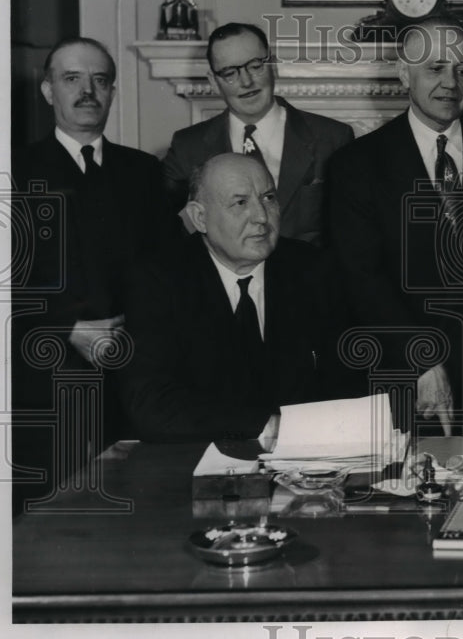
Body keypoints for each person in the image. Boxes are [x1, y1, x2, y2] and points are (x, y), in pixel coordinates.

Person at [325, 17, 463, 434]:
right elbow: (361, 279)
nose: (451, 83)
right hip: (406, 373)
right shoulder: (358, 164)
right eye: (435, 68)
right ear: (402, 73)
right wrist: (421, 359)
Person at [11, 37, 178, 511]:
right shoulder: (12, 171)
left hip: (132, 378)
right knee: (51, 519)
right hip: (43, 375)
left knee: (137, 509)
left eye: (100, 80)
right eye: (72, 80)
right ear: (48, 91)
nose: (88, 91)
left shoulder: (144, 172)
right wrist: (67, 329)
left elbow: (167, 270)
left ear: (112, 91)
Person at [120, 154, 351, 442]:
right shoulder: (159, 279)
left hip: (306, 463)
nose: (261, 217)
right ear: (200, 217)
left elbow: (345, 381)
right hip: (198, 462)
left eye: (268, 198)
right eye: (240, 203)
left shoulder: (314, 269)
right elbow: (150, 402)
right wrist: (267, 427)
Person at [162, 22, 353, 246]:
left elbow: (350, 231)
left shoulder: (332, 138)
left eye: (255, 66)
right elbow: (155, 221)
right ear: (214, 82)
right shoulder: (189, 146)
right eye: (229, 73)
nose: (246, 82)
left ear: (274, 65)